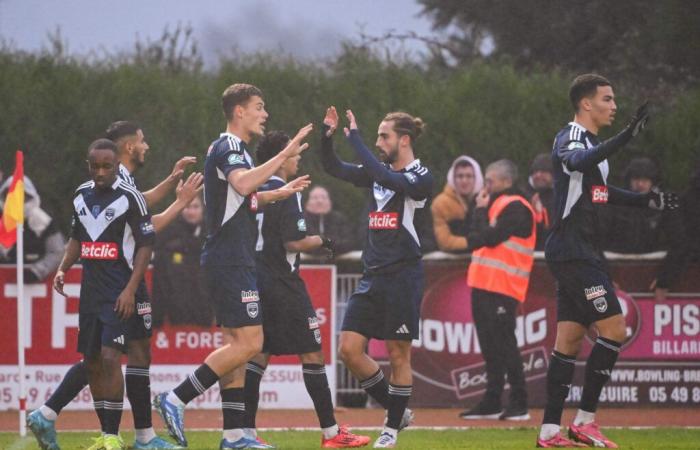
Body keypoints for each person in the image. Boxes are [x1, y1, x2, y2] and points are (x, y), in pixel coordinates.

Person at [154, 83, 312, 449]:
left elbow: (245, 200)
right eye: (259, 106)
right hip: (229, 259)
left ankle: (234, 435)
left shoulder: (234, 150)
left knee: (236, 346)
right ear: (239, 111)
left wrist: (279, 193)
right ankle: (176, 397)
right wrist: (284, 153)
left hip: (233, 258)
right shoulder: (228, 146)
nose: (265, 113)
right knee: (251, 342)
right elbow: (243, 184)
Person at [27, 121, 202, 450]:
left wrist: (173, 179)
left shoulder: (122, 182)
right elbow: (144, 224)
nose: (146, 145)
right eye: (142, 140)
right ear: (128, 148)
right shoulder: (109, 180)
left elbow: (140, 205)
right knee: (109, 355)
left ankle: (125, 433)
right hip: (119, 279)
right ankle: (117, 434)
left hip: (120, 279)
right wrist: (180, 203)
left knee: (125, 352)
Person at [537, 74, 678, 448]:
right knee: (615, 329)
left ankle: (550, 432)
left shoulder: (591, 144)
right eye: (607, 98)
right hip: (573, 249)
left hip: (577, 249)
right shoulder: (571, 137)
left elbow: (596, 192)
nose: (614, 106)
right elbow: (578, 159)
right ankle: (585, 421)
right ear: (586, 104)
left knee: (568, 340)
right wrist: (626, 138)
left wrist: (645, 200)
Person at [240, 131, 369, 448]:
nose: (298, 158)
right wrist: (324, 241)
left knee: (258, 356)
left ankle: (244, 433)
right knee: (312, 352)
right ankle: (331, 433)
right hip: (283, 282)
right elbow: (294, 242)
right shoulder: (286, 191)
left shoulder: (251, 187)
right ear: (281, 156)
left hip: (255, 280)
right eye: (295, 152)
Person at [321, 106, 433, 448]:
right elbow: (333, 168)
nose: (378, 142)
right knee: (349, 350)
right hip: (371, 276)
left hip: (403, 277)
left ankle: (391, 428)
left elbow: (389, 180)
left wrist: (355, 139)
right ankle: (398, 410)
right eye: (375, 136)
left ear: (404, 139)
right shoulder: (377, 170)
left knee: (399, 355)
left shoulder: (420, 176)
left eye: (383, 136)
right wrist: (327, 140)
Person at [53, 139, 155, 450]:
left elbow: (146, 246)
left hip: (119, 291)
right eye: (95, 166)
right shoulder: (81, 195)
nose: (100, 172)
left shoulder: (131, 197)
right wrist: (61, 269)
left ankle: (114, 436)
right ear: (88, 165)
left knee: (112, 357)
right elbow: (77, 238)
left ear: (116, 166)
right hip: (90, 292)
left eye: (106, 167)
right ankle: (109, 435)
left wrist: (129, 289)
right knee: (93, 360)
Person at [459, 159, 535, 421]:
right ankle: (492, 401)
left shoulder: (517, 207)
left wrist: (480, 213)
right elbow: (474, 238)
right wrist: (480, 213)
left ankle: (519, 402)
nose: (485, 185)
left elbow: (488, 238)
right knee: (490, 346)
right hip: (483, 284)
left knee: (505, 344)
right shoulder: (493, 204)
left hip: (504, 286)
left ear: (505, 181)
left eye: (490, 180)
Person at [600, 157, 686, 301]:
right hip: (617, 276)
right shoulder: (614, 204)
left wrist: (664, 280)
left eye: (645, 180)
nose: (640, 184)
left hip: (653, 276)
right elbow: (593, 240)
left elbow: (680, 243)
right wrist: (604, 277)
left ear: (653, 182)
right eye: (636, 179)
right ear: (629, 180)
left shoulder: (665, 206)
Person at [151, 193, 214, 327]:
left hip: (206, 311)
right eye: (187, 207)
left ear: (203, 209)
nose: (191, 211)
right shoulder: (168, 232)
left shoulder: (212, 232)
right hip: (175, 309)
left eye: (195, 207)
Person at [0, 175, 66, 282]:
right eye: (11, 196)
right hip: (5, 283)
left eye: (21, 196)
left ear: (29, 195)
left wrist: (37, 271)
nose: (16, 200)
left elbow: (58, 252)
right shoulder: (2, 220)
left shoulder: (44, 221)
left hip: (39, 285)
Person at [431, 155, 483, 252]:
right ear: (452, 179)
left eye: (469, 176)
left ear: (476, 179)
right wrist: (477, 242)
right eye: (460, 176)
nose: (464, 181)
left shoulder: (484, 200)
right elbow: (445, 242)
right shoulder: (441, 203)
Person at [304, 185, 357, 256]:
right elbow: (298, 242)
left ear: (330, 201)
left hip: (337, 264)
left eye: (324, 197)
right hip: (306, 265)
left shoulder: (340, 219)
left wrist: (328, 247)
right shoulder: (300, 220)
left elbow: (350, 242)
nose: (320, 201)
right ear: (307, 202)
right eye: (315, 198)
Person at [524, 153, 556, 250]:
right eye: (535, 171)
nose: (538, 175)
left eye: (543, 171)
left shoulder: (561, 198)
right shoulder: (523, 195)